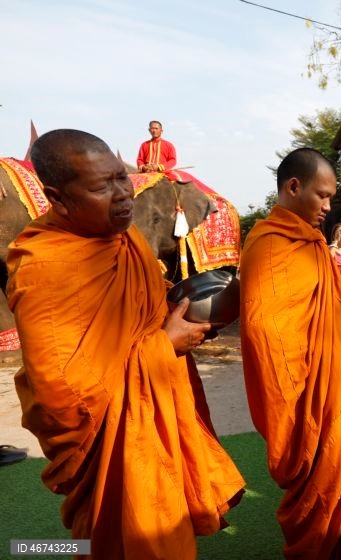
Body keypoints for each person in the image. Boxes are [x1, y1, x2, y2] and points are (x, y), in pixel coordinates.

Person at [7, 129, 245, 559]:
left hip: (148, 420)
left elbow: (149, 311)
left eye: (121, 178)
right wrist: (161, 347)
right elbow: (60, 393)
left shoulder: (126, 240)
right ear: (56, 197)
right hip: (107, 441)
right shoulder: (44, 267)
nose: (122, 195)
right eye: (103, 186)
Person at [239, 147, 341, 559]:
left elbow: (332, 318)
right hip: (307, 405)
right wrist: (321, 382)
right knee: (320, 500)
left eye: (331, 198)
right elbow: (268, 339)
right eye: (322, 196)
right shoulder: (270, 245)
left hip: (335, 389)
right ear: (293, 186)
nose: (328, 207)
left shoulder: (311, 242)